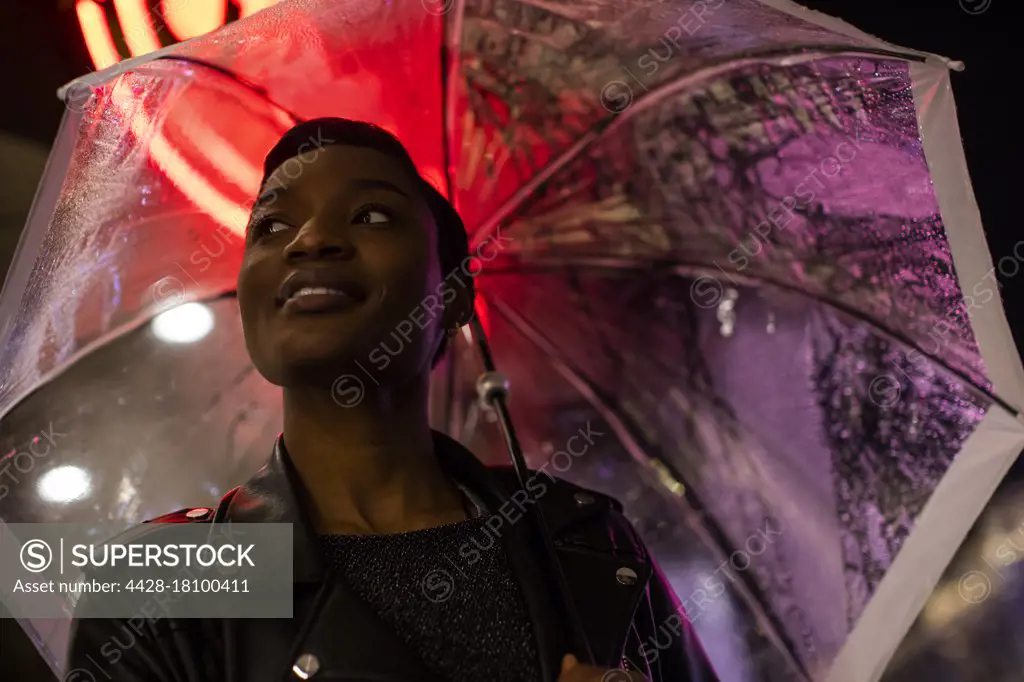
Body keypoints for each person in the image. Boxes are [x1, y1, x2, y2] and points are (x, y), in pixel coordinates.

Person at [67, 118, 719, 682]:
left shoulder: (586, 542)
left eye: (371, 215)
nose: (307, 241)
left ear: (456, 295)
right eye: (270, 225)